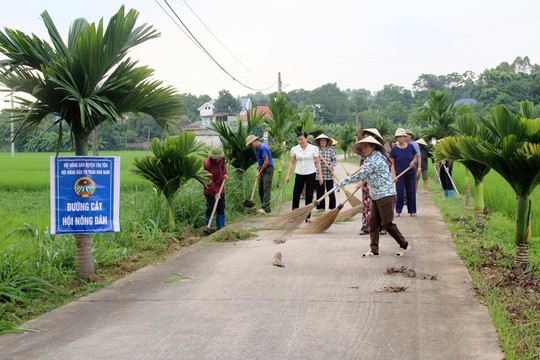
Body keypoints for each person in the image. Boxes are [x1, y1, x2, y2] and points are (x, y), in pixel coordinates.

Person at [339, 136, 411, 257]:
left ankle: (404, 244)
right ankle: (374, 250)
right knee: (373, 224)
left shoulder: (375, 159)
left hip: (386, 195)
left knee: (387, 223)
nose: (364, 149)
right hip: (376, 196)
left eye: (366, 147)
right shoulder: (370, 159)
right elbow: (366, 176)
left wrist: (344, 181)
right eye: (362, 147)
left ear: (374, 146)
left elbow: (362, 174)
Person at [285, 131, 324, 222]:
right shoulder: (294, 149)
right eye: (298, 140)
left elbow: (318, 163)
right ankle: (294, 215)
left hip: (310, 173)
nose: (300, 142)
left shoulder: (313, 148)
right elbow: (292, 163)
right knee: (296, 194)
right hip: (299, 173)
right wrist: (287, 176)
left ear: (306, 139)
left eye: (302, 139)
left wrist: (320, 176)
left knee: (309, 195)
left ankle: (307, 216)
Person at [357, 128, 387, 235]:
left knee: (380, 205)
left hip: (378, 184)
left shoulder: (382, 153)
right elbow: (361, 168)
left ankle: (382, 226)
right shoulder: (364, 153)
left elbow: (386, 167)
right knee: (366, 204)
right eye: (364, 137)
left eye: (368, 136)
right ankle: (366, 225)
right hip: (366, 184)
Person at [389, 128, 417, 217]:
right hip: (399, 174)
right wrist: (394, 176)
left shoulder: (410, 147)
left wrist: (413, 162)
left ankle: (412, 211)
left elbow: (415, 156)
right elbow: (392, 164)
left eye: (401, 137)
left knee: (411, 192)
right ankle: (398, 210)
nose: (400, 139)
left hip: (410, 173)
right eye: (398, 137)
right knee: (399, 193)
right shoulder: (394, 150)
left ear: (405, 137)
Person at [246, 134, 274, 214]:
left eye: (251, 144)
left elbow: (266, 161)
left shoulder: (262, 147)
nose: (251, 146)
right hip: (263, 167)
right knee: (261, 187)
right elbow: (262, 159)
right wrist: (259, 164)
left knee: (266, 187)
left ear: (255, 141)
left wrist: (259, 173)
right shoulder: (257, 148)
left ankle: (265, 208)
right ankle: (265, 207)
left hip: (268, 168)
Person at [203, 146, 228, 230]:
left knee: (221, 207)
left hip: (221, 187)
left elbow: (223, 168)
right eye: (216, 158)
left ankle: (220, 228)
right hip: (210, 190)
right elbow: (209, 181)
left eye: (219, 158)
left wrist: (225, 174)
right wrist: (216, 192)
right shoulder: (207, 164)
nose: (218, 159)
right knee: (211, 207)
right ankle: (208, 227)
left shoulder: (222, 159)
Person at [313, 134, 337, 211]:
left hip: (329, 174)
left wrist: (331, 166)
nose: (323, 142)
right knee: (320, 191)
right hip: (319, 174)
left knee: (331, 191)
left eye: (324, 140)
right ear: (319, 142)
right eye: (321, 141)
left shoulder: (331, 149)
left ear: (327, 142)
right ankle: (320, 208)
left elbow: (335, 160)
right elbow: (313, 161)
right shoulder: (316, 150)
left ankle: (332, 207)